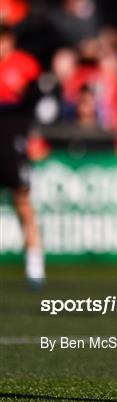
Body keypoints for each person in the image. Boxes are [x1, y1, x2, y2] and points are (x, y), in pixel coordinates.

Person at [0, 25, 44, 286]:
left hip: (14, 139)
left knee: (22, 201)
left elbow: (38, 101)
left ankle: (34, 264)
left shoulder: (24, 66)